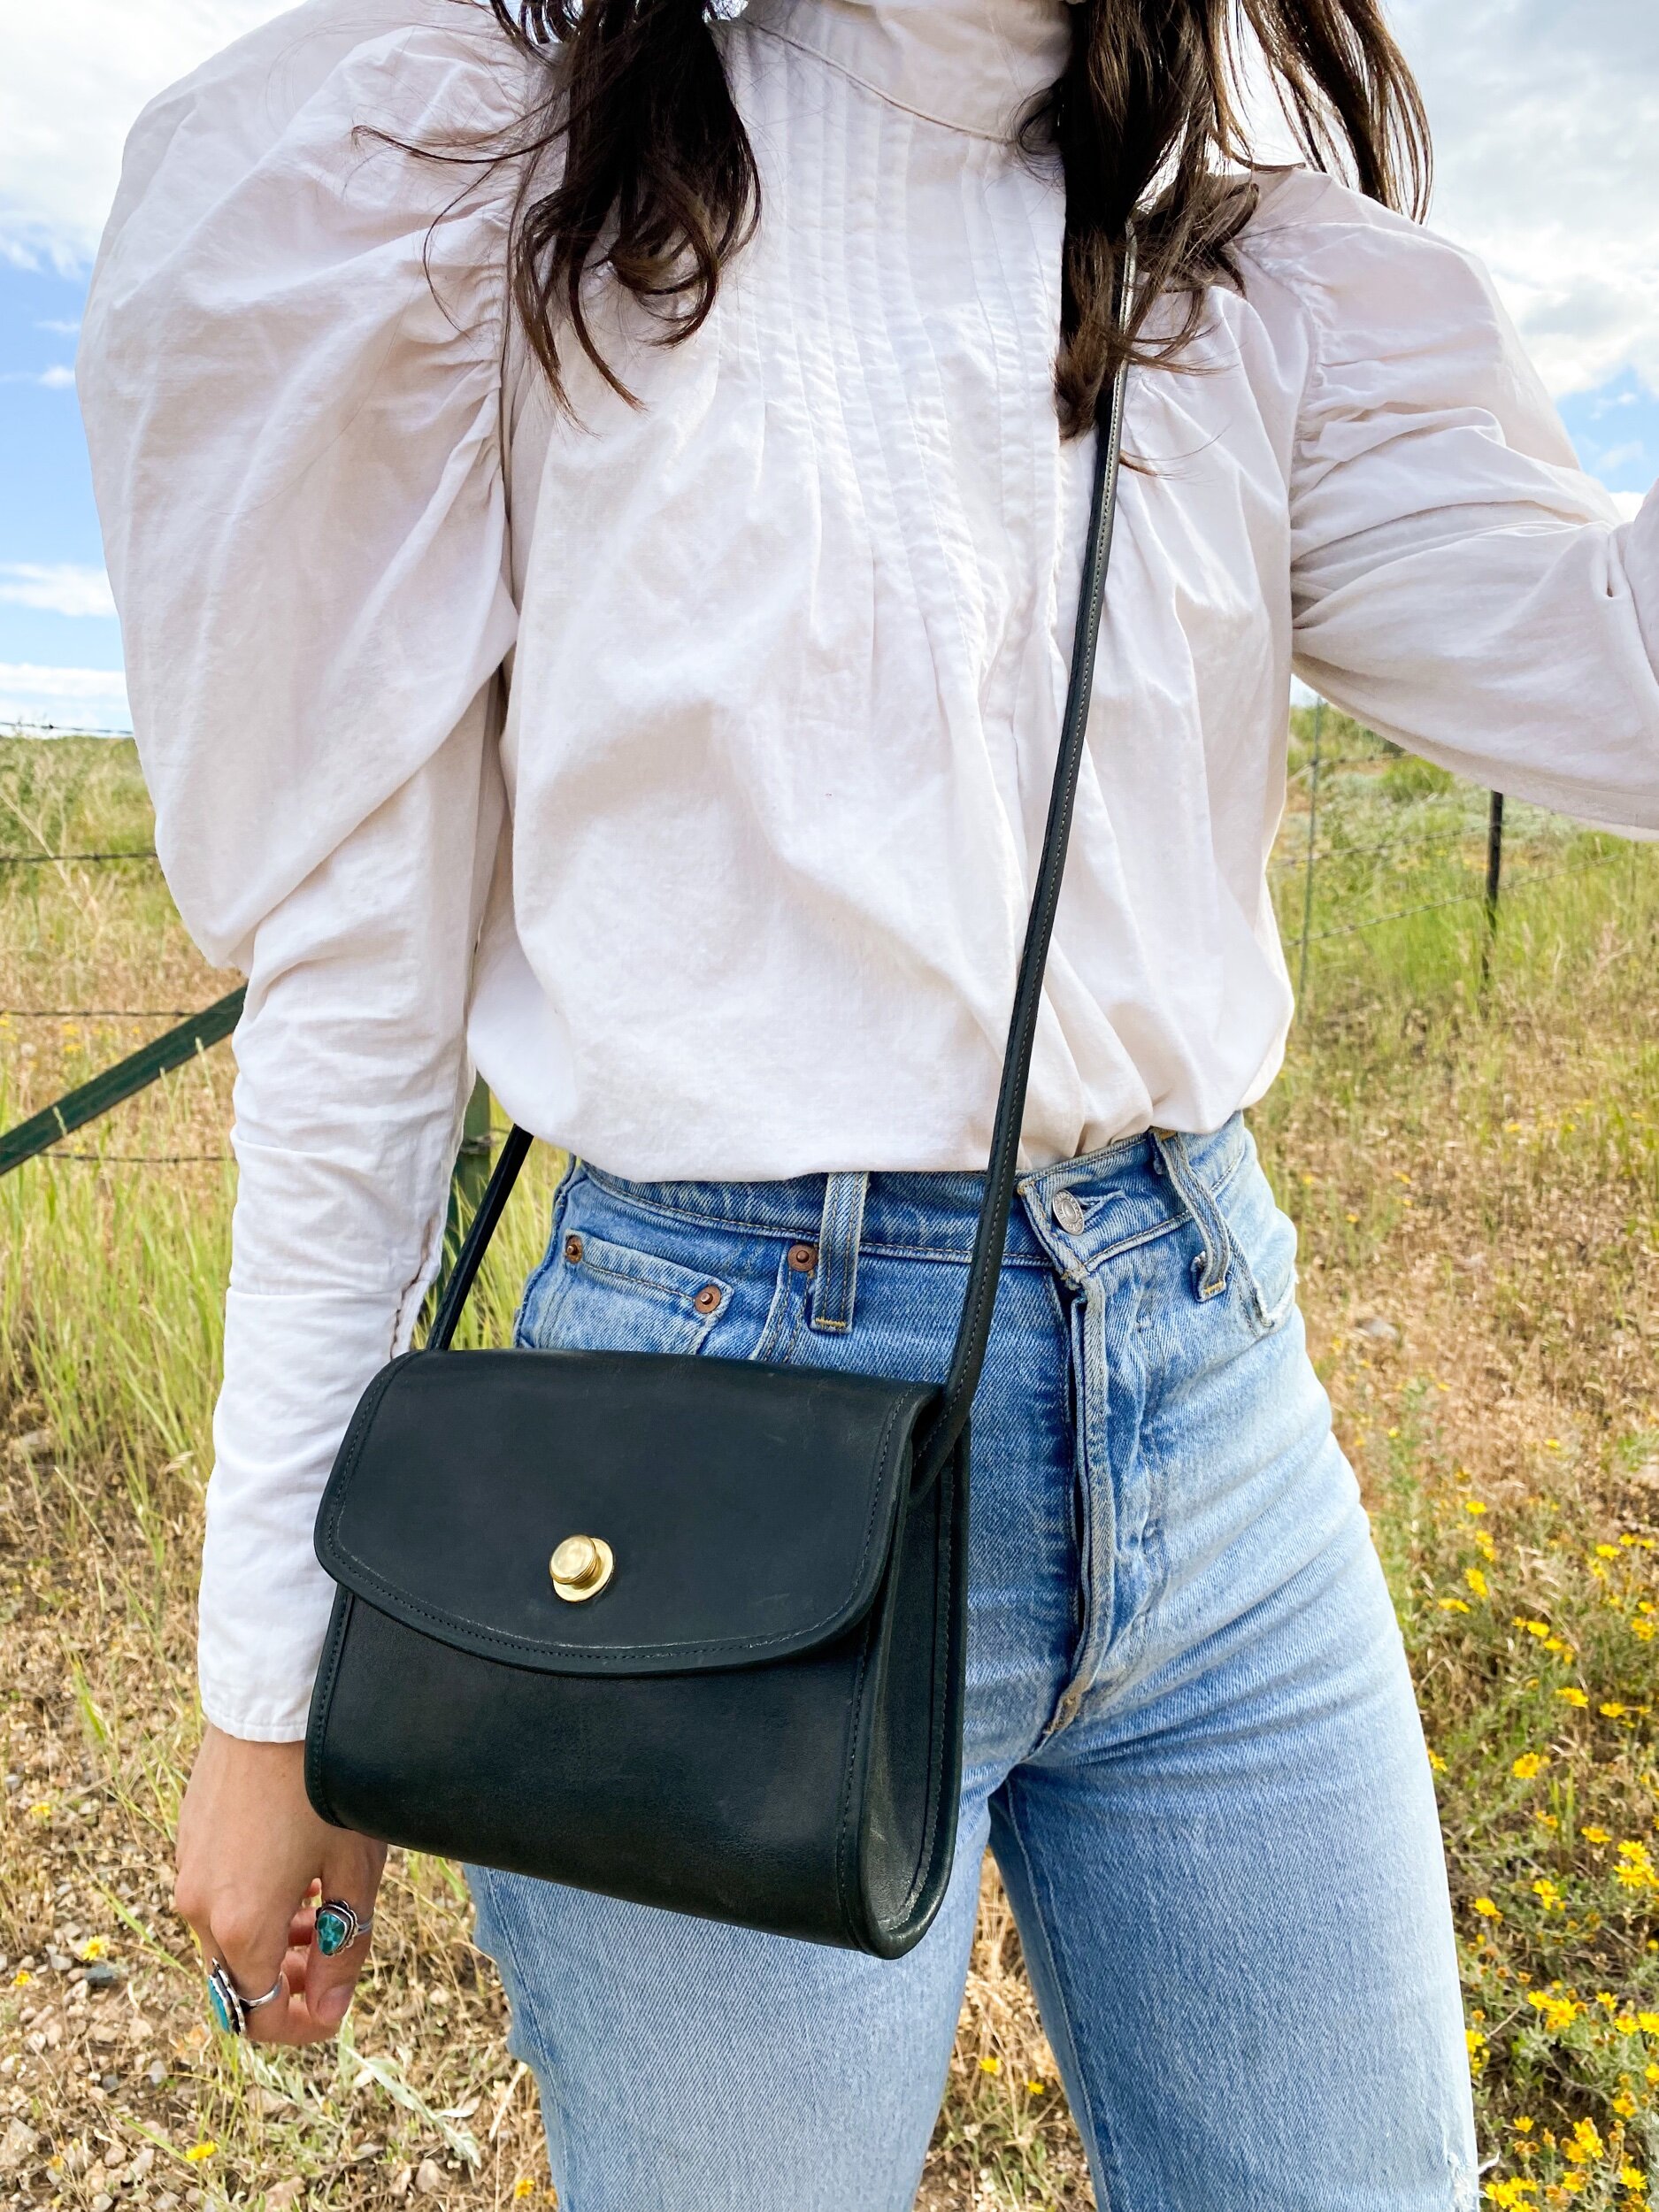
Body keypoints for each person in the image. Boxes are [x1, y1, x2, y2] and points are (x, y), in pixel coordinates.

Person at [79, 0, 1659, 2200]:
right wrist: (273, 1680)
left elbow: (1618, 672)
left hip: (1207, 1394)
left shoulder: (1232, 273)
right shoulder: (539, 199)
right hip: (700, 1420)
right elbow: (363, 1018)